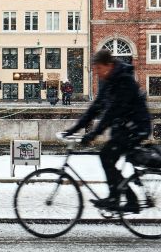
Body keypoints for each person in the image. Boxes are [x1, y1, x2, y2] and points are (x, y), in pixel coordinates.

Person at [63, 49, 151, 212]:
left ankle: (123, 200)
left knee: (106, 157)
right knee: (107, 158)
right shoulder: (109, 80)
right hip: (124, 127)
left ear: (109, 65)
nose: (97, 73)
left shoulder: (124, 79)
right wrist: (74, 128)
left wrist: (93, 134)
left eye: (99, 69)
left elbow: (113, 112)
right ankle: (119, 198)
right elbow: (96, 107)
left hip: (136, 127)